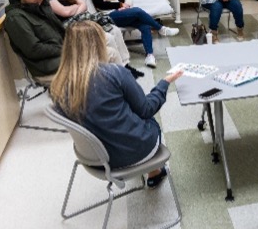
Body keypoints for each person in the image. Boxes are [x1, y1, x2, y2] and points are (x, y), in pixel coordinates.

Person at [50, 21, 183, 188]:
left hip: (94, 158)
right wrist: (164, 82)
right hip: (130, 155)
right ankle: (154, 172)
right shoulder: (113, 73)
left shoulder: (59, 83)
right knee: (150, 121)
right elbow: (147, 109)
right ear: (99, 43)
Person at [36, 0, 143, 78]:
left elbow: (83, 4)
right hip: (71, 28)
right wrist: (76, 8)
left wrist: (73, 9)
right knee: (109, 38)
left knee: (115, 30)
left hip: (83, 20)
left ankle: (126, 65)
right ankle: (120, 71)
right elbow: (64, 12)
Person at [87, 0, 179, 68]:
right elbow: (99, 4)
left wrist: (126, 6)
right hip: (108, 15)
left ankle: (150, 55)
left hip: (122, 13)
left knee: (144, 25)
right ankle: (160, 29)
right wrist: (120, 5)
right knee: (137, 11)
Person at [4, 0, 66, 80]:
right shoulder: (15, 18)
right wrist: (66, 48)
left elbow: (60, 31)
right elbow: (34, 50)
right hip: (49, 68)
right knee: (98, 60)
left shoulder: (42, 7)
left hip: (62, 57)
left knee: (102, 44)